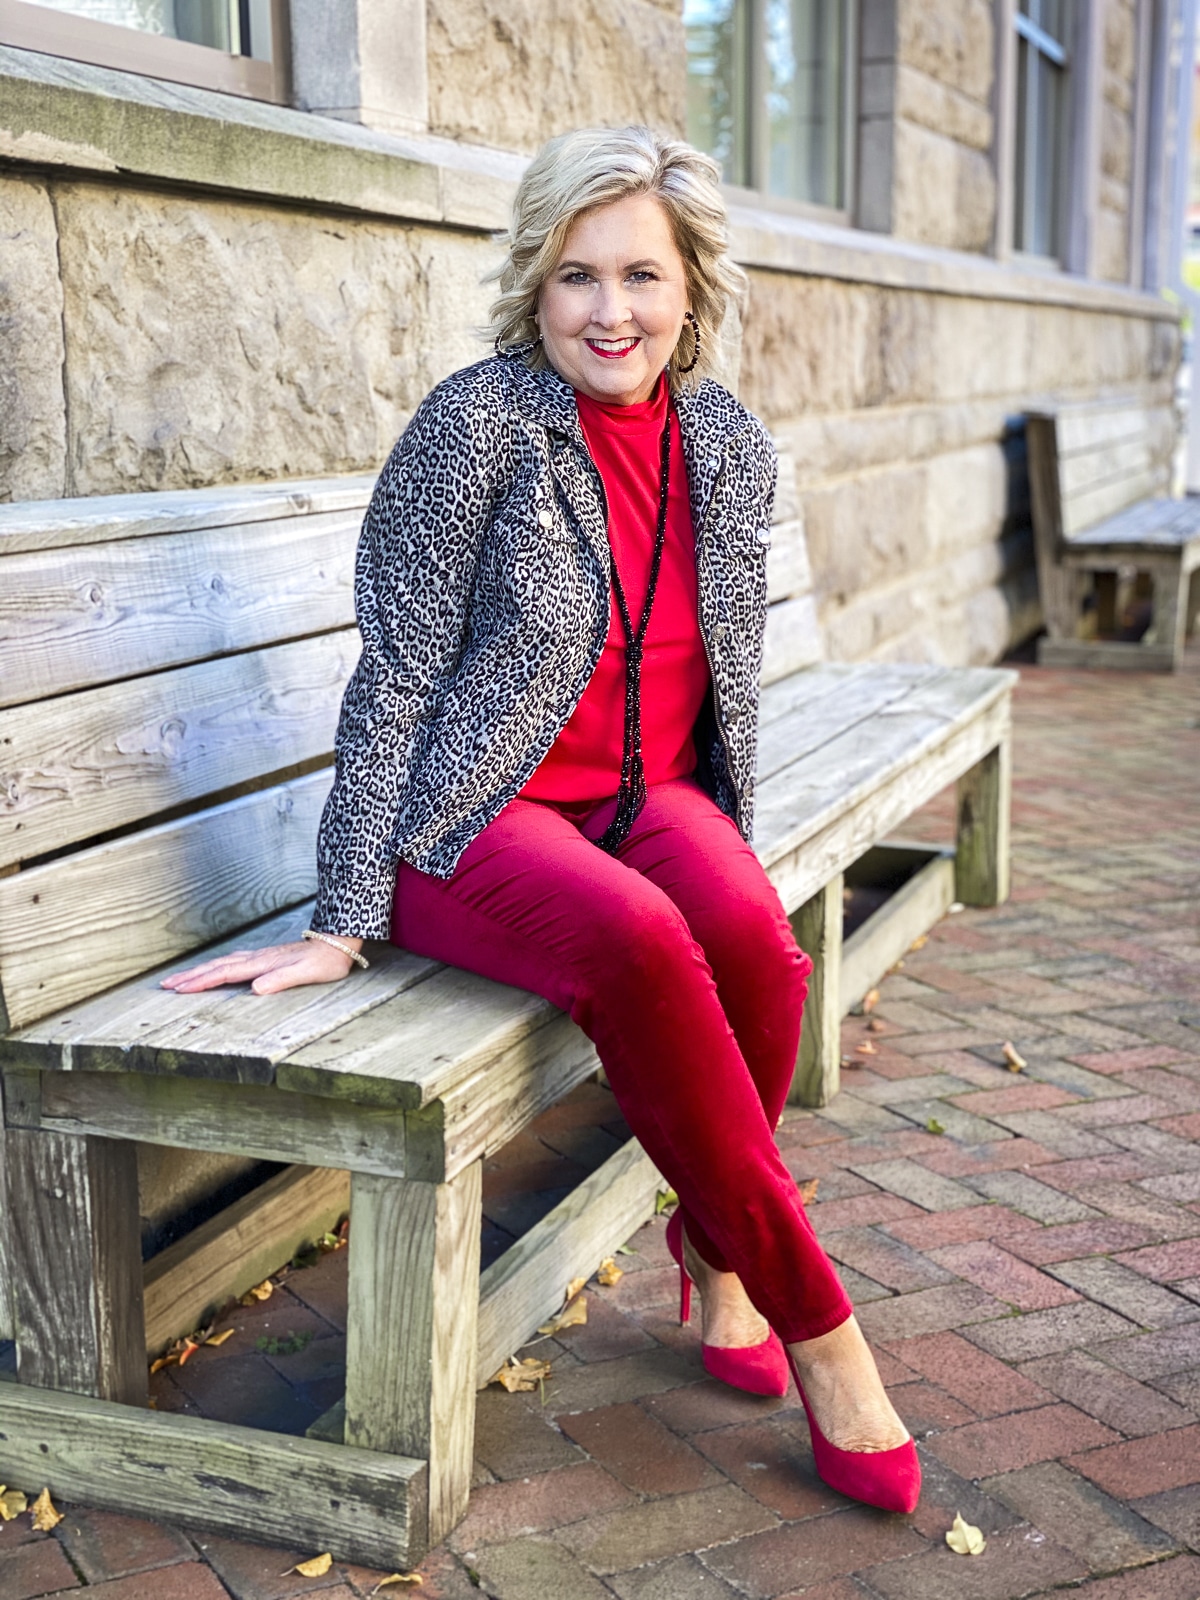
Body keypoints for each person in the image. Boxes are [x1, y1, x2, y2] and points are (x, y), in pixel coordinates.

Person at [164, 125, 919, 1516]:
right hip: (472, 816)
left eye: (641, 273)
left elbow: (707, 669)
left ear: (693, 286)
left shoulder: (727, 443)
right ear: (535, 285)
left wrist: (708, 815)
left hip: (648, 796)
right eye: (576, 276)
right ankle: (819, 1323)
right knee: (641, 946)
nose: (610, 310)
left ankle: (720, 1252)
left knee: (755, 939)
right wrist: (343, 919)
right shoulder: (477, 426)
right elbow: (394, 667)